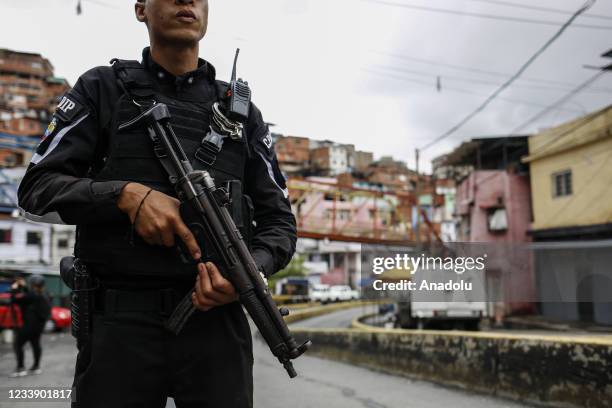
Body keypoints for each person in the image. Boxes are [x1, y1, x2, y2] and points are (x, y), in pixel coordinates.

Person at [17, 0, 296, 407]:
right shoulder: (102, 88)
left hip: (216, 326)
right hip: (118, 326)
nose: (187, 1)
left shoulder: (241, 115)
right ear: (141, 9)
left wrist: (249, 270)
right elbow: (36, 188)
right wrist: (124, 195)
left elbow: (280, 223)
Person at [9, 275, 51, 378]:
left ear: (32, 284)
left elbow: (15, 299)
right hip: (39, 326)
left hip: (29, 325)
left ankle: (20, 368)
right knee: (35, 344)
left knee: (18, 344)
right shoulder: (44, 294)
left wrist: (14, 288)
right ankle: (36, 367)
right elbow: (28, 295)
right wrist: (23, 287)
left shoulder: (32, 295)